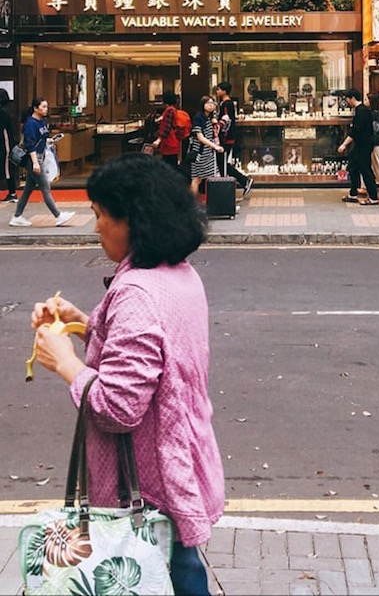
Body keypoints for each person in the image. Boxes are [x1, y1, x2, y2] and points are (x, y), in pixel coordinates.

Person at [29, 153, 224, 595]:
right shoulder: (177, 274)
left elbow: (117, 407)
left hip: (147, 495)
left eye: (101, 215)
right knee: (185, 572)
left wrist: (65, 363)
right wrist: (82, 322)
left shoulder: (137, 292)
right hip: (180, 468)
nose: (96, 227)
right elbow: (150, 356)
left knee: (166, 577)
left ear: (133, 221)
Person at [9, 98, 74, 228]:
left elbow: (41, 139)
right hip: (34, 158)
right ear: (35, 108)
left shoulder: (42, 122)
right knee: (45, 187)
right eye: (43, 106)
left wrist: (50, 141)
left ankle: (17, 216)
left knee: (28, 189)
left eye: (46, 107)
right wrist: (35, 163)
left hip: (40, 156)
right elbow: (30, 145)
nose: (46, 109)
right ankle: (58, 215)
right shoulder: (31, 124)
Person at [337, 88, 379, 205]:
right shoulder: (362, 110)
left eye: (347, 99)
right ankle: (353, 194)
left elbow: (355, 131)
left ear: (352, 98)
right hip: (361, 145)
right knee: (353, 168)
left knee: (365, 170)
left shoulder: (361, 112)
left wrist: (344, 144)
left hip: (363, 145)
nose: (347, 101)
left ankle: (373, 197)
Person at [216, 82, 253, 197]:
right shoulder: (227, 103)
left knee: (222, 163)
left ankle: (241, 181)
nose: (217, 92)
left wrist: (222, 133)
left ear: (224, 91)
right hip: (226, 137)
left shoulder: (226, 104)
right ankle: (238, 183)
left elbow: (226, 120)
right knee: (222, 163)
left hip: (225, 138)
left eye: (218, 89)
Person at [190, 95, 224, 197]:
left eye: (212, 103)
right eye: (208, 103)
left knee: (198, 179)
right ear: (202, 104)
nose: (211, 105)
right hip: (200, 154)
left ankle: (191, 203)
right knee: (200, 179)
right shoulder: (198, 118)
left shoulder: (209, 118)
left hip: (207, 153)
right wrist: (215, 146)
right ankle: (220, 201)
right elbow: (200, 137)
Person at [152, 89, 181, 166]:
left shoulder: (169, 111)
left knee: (169, 165)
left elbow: (167, 127)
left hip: (169, 142)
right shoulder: (173, 110)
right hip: (173, 142)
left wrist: (159, 140)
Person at [0, 87, 17, 202]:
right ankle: (12, 192)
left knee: (7, 168)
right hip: (7, 143)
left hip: (5, 144)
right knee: (8, 167)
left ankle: (12, 193)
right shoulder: (8, 110)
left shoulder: (3, 112)